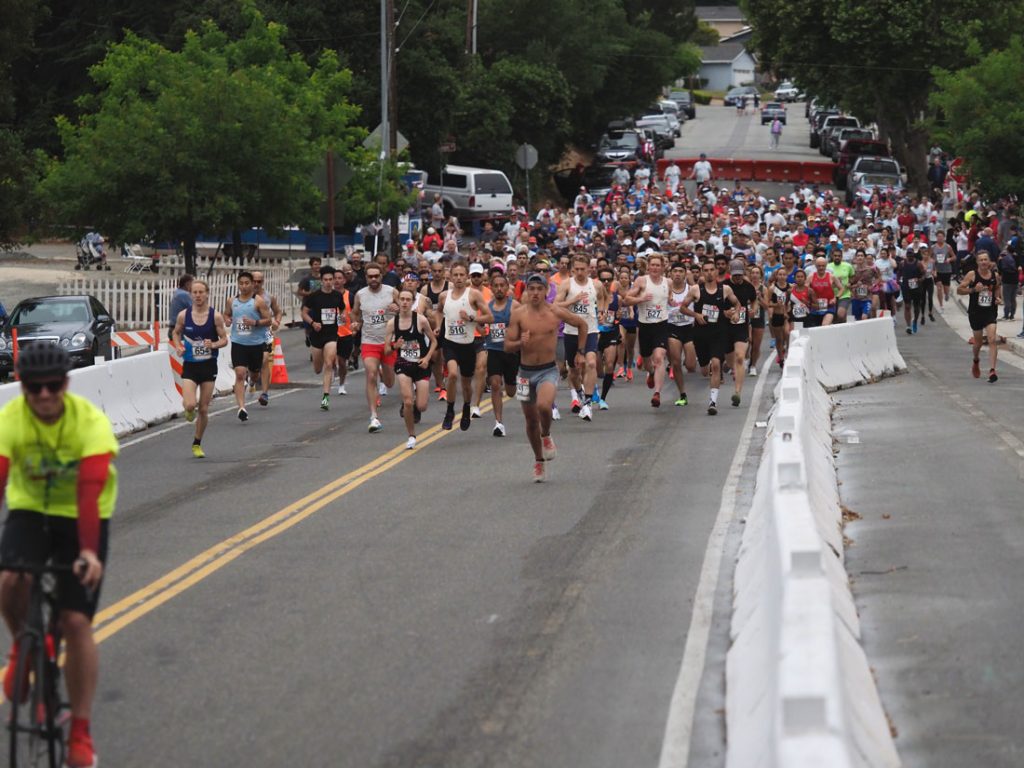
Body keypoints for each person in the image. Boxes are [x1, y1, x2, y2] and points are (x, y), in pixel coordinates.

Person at [0, 344, 115, 768]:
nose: (44, 395)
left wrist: (87, 551)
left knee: (75, 620)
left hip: (81, 515)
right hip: (30, 509)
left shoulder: (89, 423)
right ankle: (22, 650)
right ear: (21, 386)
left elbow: (88, 494)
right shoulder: (9, 420)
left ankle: (80, 733)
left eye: (52, 386)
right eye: (34, 388)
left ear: (65, 384)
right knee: (10, 578)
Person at [504, 273, 588, 482]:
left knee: (543, 406)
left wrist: (580, 352)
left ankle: (546, 435)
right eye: (530, 289)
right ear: (526, 291)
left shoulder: (555, 312)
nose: (534, 293)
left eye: (538, 289)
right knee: (531, 420)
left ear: (546, 291)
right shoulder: (518, 315)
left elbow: (582, 325)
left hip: (548, 370)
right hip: (524, 373)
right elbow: (507, 345)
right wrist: (519, 344)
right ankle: (539, 460)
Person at [171, 279, 229, 458]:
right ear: (191, 295)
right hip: (190, 366)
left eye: (201, 292)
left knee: (203, 409)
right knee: (190, 404)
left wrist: (213, 345)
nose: (198, 296)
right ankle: (189, 410)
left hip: (208, 366)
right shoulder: (183, 315)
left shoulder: (215, 316)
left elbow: (224, 339)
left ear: (207, 294)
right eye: (194, 292)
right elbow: (176, 333)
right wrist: (178, 346)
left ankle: (197, 442)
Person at [436, 262, 493, 431]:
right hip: (450, 342)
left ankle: (467, 407)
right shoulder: (444, 296)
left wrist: (471, 318)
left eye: (462, 275)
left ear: (467, 276)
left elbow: (489, 317)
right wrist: (439, 325)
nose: (459, 278)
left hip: (468, 344)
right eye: (456, 275)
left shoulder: (474, 295)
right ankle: (449, 410)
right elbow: (438, 311)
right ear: (451, 277)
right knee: (452, 374)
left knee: (467, 383)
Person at [681, 260, 740, 414]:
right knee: (705, 370)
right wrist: (696, 314)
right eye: (705, 270)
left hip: (719, 333)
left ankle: (712, 402)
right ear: (702, 272)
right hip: (701, 335)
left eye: (711, 270)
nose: (709, 272)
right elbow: (682, 307)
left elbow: (737, 303)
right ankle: (707, 367)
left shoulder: (725, 289)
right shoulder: (695, 290)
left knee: (716, 364)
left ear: (716, 272)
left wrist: (736, 313)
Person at [555, 255, 607, 421]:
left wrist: (602, 311)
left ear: (588, 269)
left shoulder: (596, 284)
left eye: (582, 269)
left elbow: (603, 297)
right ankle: (579, 392)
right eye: (576, 269)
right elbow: (556, 305)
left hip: (591, 330)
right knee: (573, 371)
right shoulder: (567, 284)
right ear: (572, 269)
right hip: (571, 332)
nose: (579, 272)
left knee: (591, 362)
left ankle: (587, 403)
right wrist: (573, 300)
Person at [384, 289, 437, 449]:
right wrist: (395, 346)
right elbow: (386, 350)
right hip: (403, 364)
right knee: (407, 401)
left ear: (412, 301)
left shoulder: (420, 320)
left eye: (408, 299)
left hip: (420, 365)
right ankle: (411, 435)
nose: (405, 302)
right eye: (402, 299)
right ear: (398, 301)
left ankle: (415, 404)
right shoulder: (392, 323)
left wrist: (427, 359)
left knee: (421, 406)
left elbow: (434, 341)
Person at [352, 264, 400, 433]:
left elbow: (405, 309)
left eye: (376, 276)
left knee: (389, 382)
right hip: (369, 341)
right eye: (370, 276)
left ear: (381, 276)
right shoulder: (360, 295)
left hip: (388, 342)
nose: (373, 279)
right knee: (371, 374)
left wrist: (398, 308)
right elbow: (355, 313)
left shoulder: (391, 292)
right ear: (366, 277)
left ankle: (383, 371)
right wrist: (356, 323)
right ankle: (374, 416)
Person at [623, 253, 671, 407]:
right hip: (644, 325)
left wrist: (671, 300)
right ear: (648, 267)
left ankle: (657, 393)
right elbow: (626, 299)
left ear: (663, 267)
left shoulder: (667, 282)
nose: (655, 268)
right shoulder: (642, 281)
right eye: (653, 265)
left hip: (661, 324)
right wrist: (641, 299)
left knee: (659, 357)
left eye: (658, 265)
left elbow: (668, 297)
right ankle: (650, 373)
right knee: (646, 360)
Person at [223, 271, 272, 422]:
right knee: (239, 373)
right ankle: (241, 408)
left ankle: (252, 381)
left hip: (256, 344)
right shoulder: (232, 301)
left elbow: (268, 320)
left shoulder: (258, 302)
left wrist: (255, 323)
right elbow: (226, 314)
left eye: (247, 283)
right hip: (238, 343)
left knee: (255, 373)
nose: (243, 286)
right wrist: (228, 320)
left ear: (252, 285)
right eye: (241, 283)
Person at [302, 266, 345, 409]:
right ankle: (324, 365)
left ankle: (325, 397)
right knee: (318, 369)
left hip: (331, 334)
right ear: (321, 281)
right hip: (316, 335)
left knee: (328, 363)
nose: (328, 282)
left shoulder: (337, 296)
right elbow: (304, 313)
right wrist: (313, 323)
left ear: (333, 280)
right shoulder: (314, 297)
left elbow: (342, 309)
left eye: (330, 279)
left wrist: (342, 317)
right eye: (325, 280)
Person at [483, 270, 520, 436]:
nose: (499, 289)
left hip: (511, 352)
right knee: (495, 384)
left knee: (511, 391)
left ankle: (512, 382)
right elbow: (479, 325)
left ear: (507, 288)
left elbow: (524, 325)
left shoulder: (515, 306)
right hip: (494, 350)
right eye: (495, 286)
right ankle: (498, 423)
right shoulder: (487, 307)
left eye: (502, 286)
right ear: (491, 288)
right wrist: (482, 330)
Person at [958, 252, 1001, 383]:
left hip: (990, 312)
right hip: (976, 313)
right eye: (981, 260)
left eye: (985, 259)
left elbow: (997, 288)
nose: (983, 262)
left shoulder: (995, 275)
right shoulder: (972, 275)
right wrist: (973, 290)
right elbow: (959, 290)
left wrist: (998, 298)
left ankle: (992, 370)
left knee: (992, 339)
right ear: (977, 262)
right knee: (978, 343)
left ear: (989, 261)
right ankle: (976, 360)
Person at [726, 259, 757, 406]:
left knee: (740, 357)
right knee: (730, 360)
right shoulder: (724, 286)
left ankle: (737, 392)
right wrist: (725, 312)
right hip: (725, 327)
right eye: (735, 275)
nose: (737, 278)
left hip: (741, 326)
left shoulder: (748, 287)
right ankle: (732, 369)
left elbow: (754, 300)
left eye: (740, 275)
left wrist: (754, 309)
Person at [666, 261, 697, 406]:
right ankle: (682, 393)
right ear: (670, 274)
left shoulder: (691, 290)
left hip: (689, 327)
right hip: (672, 327)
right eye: (675, 271)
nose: (677, 274)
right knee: (676, 363)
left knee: (691, 366)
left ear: (685, 274)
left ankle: (688, 357)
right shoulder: (666, 290)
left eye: (680, 271)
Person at [251, 271, 282, 407]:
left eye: (259, 281)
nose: (257, 284)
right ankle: (252, 378)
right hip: (249, 334)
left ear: (263, 282)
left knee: (264, 360)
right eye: (254, 281)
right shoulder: (244, 297)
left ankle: (264, 393)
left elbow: (278, 311)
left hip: (266, 333)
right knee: (253, 364)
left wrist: (277, 321)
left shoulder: (269, 297)